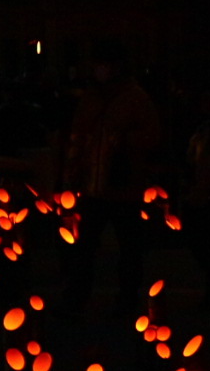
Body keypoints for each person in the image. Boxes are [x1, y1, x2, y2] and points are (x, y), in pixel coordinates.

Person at [59, 38, 162, 318]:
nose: (99, 70)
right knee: (85, 247)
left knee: (129, 248)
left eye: (104, 65)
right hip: (93, 186)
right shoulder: (91, 97)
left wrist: (124, 140)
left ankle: (127, 299)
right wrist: (73, 173)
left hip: (123, 185)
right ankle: (76, 297)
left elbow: (153, 136)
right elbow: (78, 136)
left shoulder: (136, 98)